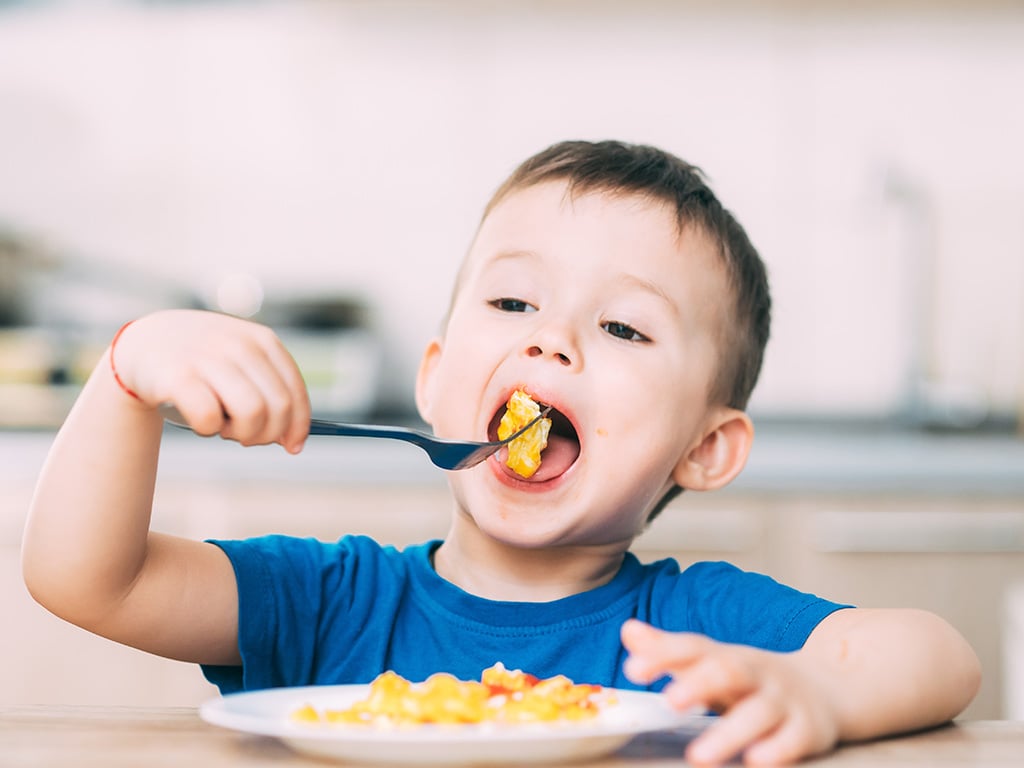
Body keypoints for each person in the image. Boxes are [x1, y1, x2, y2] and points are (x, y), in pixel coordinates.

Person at [22, 140, 979, 766]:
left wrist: (819, 690)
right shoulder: (333, 605)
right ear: (436, 380)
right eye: (513, 303)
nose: (550, 340)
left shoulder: (692, 631)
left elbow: (937, 655)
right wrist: (125, 377)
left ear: (706, 448)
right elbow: (86, 579)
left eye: (622, 327)